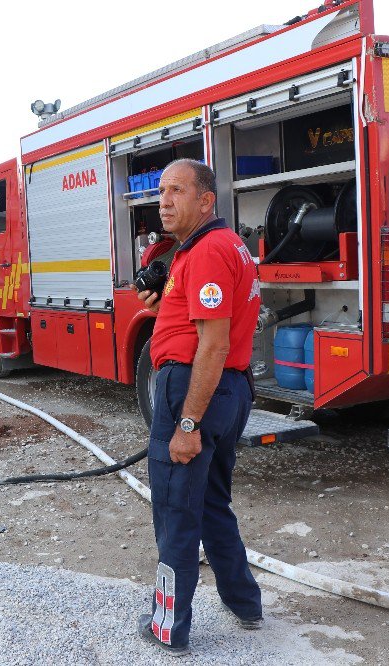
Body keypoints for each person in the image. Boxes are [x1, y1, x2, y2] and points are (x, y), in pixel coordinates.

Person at [135, 159, 262, 656]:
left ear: (206, 200)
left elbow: (210, 345)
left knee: (175, 510)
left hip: (196, 390)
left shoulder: (207, 251)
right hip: (228, 391)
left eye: (177, 191)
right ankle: (245, 603)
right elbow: (199, 321)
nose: (164, 201)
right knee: (210, 504)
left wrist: (186, 424)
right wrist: (162, 302)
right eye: (162, 191)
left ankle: (169, 626)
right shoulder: (223, 246)